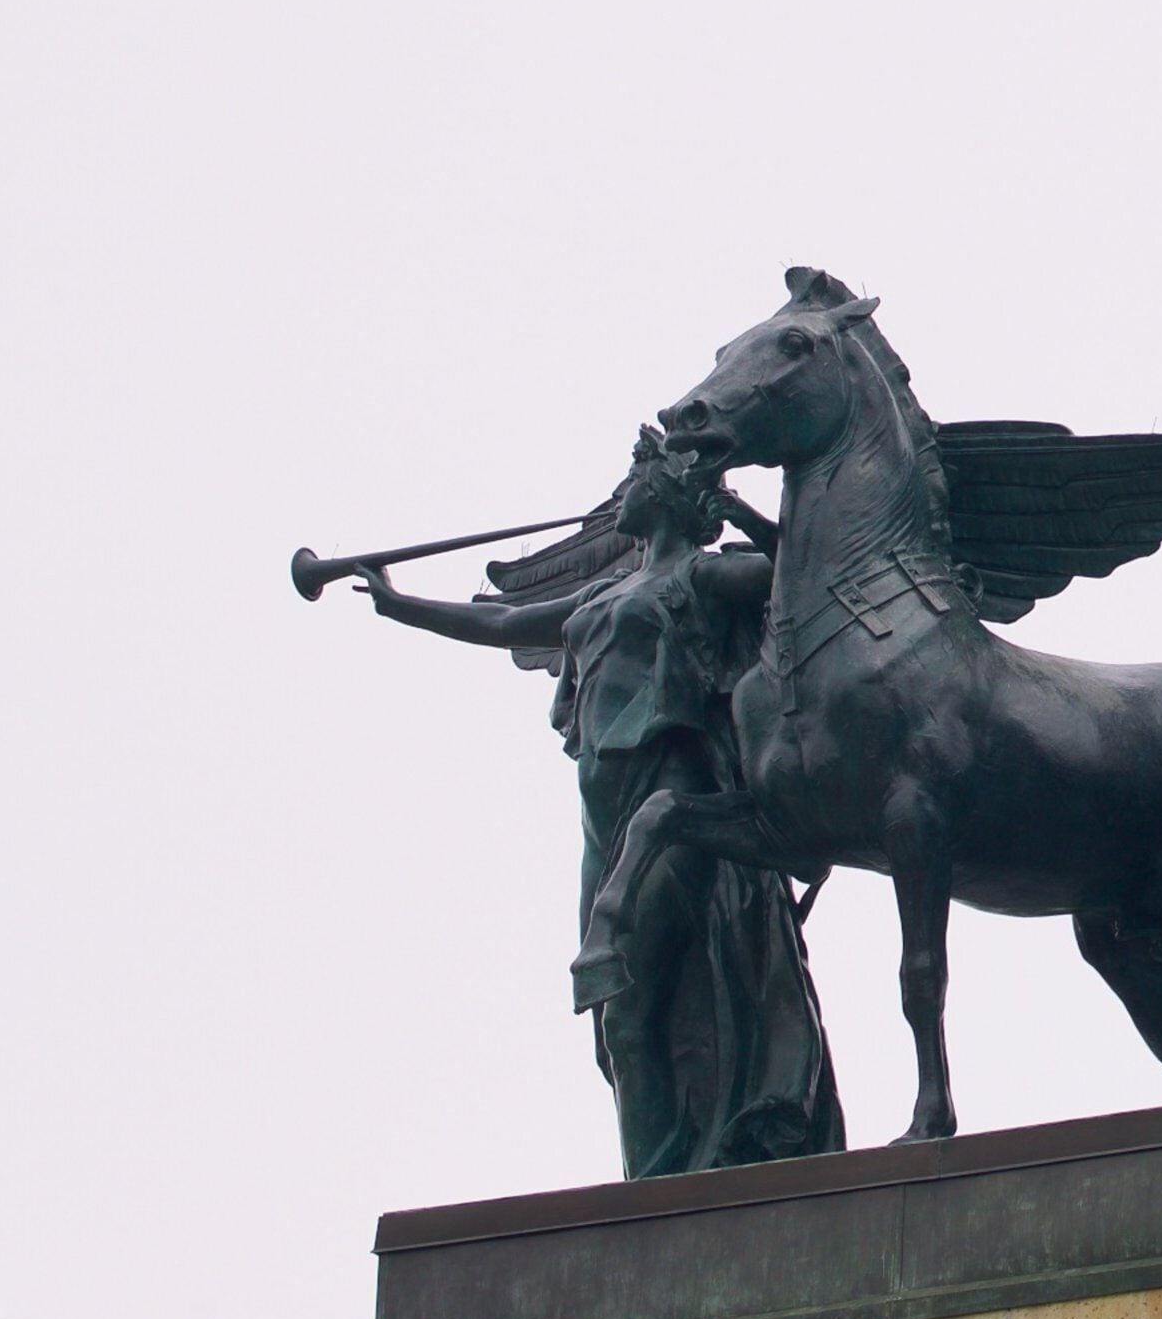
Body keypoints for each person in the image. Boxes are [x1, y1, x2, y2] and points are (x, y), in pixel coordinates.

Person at [356, 433, 843, 1174]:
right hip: (602, 817)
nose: (625, 492)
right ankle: (653, 1183)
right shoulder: (600, 595)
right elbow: (498, 623)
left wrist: (739, 509)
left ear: (674, 497)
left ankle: (668, 1179)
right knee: (620, 1019)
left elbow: (800, 570)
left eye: (638, 478)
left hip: (675, 794)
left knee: (632, 984)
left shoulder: (710, 580)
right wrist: (399, 605)